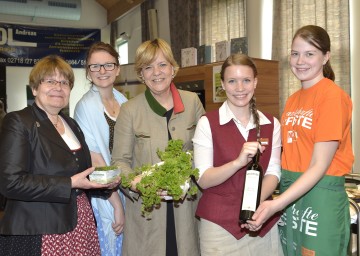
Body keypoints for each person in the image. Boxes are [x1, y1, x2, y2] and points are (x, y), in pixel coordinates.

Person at [247, 25, 354, 256]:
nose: (300, 61)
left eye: (309, 53)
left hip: (321, 196)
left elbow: (319, 165)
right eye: (295, 53)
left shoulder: (332, 97)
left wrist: (276, 204)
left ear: (326, 57)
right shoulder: (293, 100)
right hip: (292, 194)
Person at [0, 55, 118, 256]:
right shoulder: (19, 121)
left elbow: (82, 175)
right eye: (50, 81)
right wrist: (69, 183)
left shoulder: (71, 124)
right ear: (35, 88)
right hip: (41, 230)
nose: (58, 87)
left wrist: (105, 184)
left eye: (64, 82)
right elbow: (10, 183)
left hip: (80, 224)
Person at [111, 38, 205, 256]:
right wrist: (136, 183)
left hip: (187, 210)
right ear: (141, 74)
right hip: (147, 212)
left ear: (173, 69)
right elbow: (119, 161)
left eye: (162, 64)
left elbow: (205, 151)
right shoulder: (129, 110)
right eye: (148, 67)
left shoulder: (192, 103)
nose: (156, 72)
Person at [192, 53, 283, 256]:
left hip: (261, 221)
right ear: (223, 84)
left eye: (246, 80)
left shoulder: (271, 123)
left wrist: (253, 206)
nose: (240, 88)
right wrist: (237, 162)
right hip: (219, 227)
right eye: (232, 81)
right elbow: (203, 179)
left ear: (255, 82)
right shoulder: (208, 123)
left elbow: (273, 171)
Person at [74, 41, 128, 256]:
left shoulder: (123, 101)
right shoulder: (85, 106)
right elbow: (95, 160)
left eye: (108, 65)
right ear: (88, 72)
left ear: (118, 68)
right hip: (104, 195)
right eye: (95, 66)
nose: (102, 71)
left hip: (125, 187)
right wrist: (116, 204)